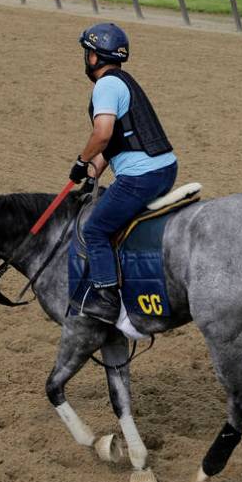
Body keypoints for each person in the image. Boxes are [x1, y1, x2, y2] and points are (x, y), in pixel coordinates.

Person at [70, 23, 178, 324]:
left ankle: (106, 299)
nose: (86, 58)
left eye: (87, 53)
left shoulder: (105, 85)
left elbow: (102, 135)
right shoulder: (125, 81)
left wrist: (81, 160)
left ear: (94, 57)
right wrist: (91, 174)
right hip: (165, 168)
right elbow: (117, 142)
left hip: (140, 178)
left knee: (94, 229)